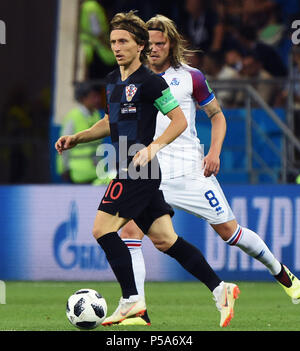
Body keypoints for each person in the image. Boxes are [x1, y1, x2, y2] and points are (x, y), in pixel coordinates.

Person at [55, 11, 239, 329]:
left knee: (101, 229)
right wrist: (77, 138)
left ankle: (131, 301)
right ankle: (221, 289)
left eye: (123, 41)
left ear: (140, 45)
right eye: (113, 41)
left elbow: (180, 121)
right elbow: (109, 122)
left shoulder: (151, 82)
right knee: (166, 240)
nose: (116, 47)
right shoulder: (113, 81)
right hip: (128, 165)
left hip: (139, 170)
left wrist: (154, 147)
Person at [118, 14, 300, 325]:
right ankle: (138, 311)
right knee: (130, 232)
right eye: (150, 44)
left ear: (171, 43)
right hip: (150, 171)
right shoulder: (134, 80)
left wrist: (213, 152)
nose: (154, 49)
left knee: (231, 233)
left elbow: (217, 116)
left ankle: (282, 273)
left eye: (160, 44)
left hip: (189, 172)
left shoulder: (191, 77)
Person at [56, 81, 112, 184]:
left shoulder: (96, 115)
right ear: (83, 98)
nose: (97, 99)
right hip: (78, 174)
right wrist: (64, 169)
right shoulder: (73, 117)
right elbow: (63, 146)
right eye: (93, 97)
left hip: (96, 172)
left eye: (98, 96)